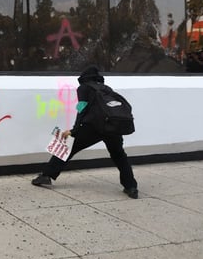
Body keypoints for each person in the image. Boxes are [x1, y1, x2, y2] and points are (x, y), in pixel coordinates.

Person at [31, 65, 139, 199]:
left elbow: (81, 108)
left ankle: (46, 176)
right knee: (119, 156)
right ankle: (131, 187)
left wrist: (74, 130)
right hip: (112, 126)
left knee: (68, 146)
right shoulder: (106, 88)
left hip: (93, 126)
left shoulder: (84, 88)